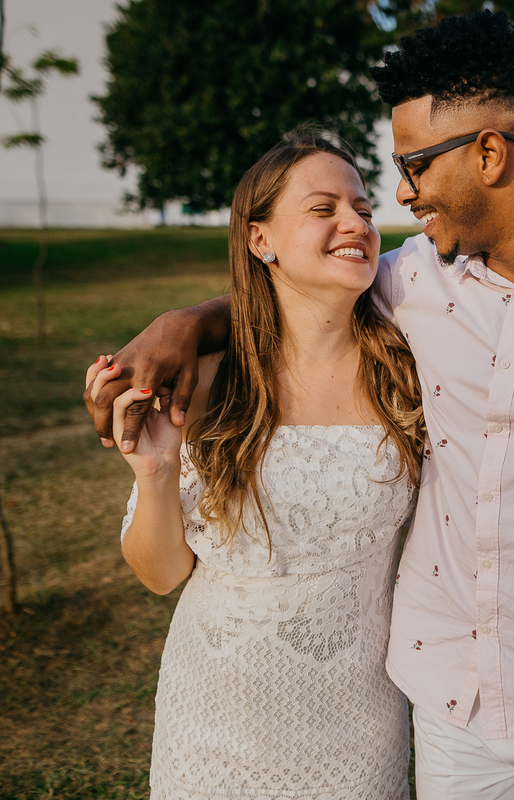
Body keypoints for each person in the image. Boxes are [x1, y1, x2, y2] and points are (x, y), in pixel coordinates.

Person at [87, 10, 514, 800]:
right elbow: (292, 292)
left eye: (412, 168)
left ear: (488, 152)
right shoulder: (415, 279)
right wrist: (182, 326)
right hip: (452, 710)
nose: (401, 198)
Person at [87, 128, 423, 799]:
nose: (355, 222)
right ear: (260, 239)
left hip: (360, 725)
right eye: (323, 209)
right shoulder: (206, 383)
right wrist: (153, 473)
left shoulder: (407, 370)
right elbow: (160, 576)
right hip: (215, 720)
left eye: (361, 206)